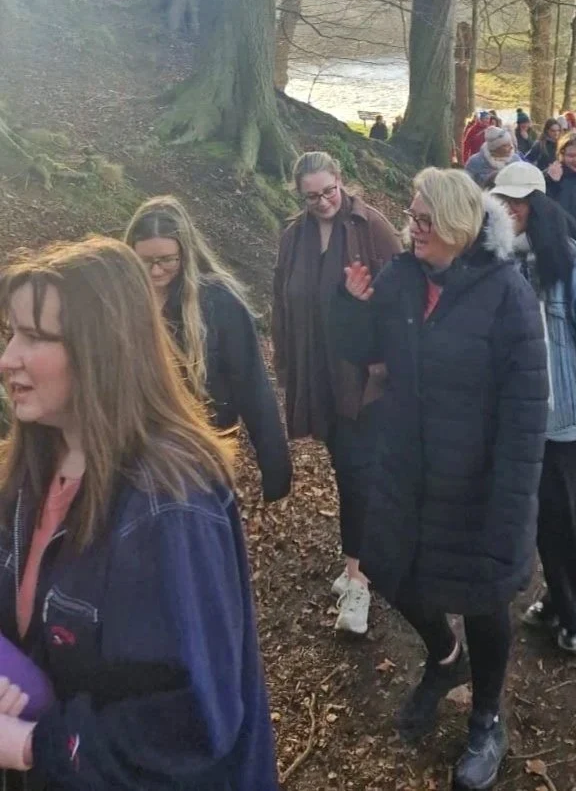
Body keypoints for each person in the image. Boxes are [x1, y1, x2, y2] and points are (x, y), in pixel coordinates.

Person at [0, 238, 278, 788]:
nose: (8, 356)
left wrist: (37, 746)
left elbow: (196, 719)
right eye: (10, 332)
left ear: (101, 349)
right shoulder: (25, 472)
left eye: (35, 337)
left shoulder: (170, 504)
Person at [338, 169, 547, 791]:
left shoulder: (508, 294)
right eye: (411, 216)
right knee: (391, 571)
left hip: (477, 483)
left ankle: (486, 718)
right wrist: (349, 306)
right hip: (406, 468)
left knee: (484, 600)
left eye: (424, 220)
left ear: (459, 224)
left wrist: (510, 508)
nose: (412, 227)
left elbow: (526, 413)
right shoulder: (403, 279)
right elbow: (365, 351)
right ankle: (444, 657)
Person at [492, 164, 576, 656]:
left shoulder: (571, 262)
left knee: (566, 520)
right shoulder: (493, 262)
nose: (509, 209)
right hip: (515, 420)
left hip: (568, 422)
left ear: (538, 205)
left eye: (519, 201)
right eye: (502, 200)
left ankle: (574, 610)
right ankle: (561, 597)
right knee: (536, 518)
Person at [272, 152, 401, 636]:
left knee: (355, 474)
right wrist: (286, 363)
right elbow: (281, 300)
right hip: (316, 372)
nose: (324, 202)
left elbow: (403, 296)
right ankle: (365, 557)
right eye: (312, 196)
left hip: (364, 380)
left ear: (341, 182)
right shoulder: (294, 236)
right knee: (347, 468)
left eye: (330, 191)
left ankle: (358, 579)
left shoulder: (372, 226)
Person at [125, 196, 292, 505]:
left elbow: (253, 386)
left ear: (185, 254)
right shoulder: (120, 304)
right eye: (145, 261)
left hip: (202, 457)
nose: (157, 271)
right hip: (137, 457)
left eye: (167, 260)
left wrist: (275, 468)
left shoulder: (218, 302)